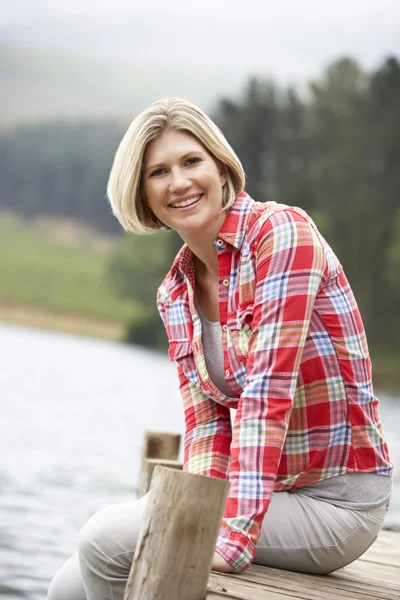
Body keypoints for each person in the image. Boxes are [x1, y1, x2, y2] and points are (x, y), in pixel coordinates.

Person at [48, 97, 392, 599]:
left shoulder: (282, 234)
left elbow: (266, 394)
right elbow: (208, 426)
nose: (179, 182)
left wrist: (233, 536)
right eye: (158, 172)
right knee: (67, 584)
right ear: (142, 194)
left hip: (335, 504)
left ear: (220, 164)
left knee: (104, 538)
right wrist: (195, 514)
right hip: (264, 494)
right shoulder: (175, 293)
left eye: (191, 161)